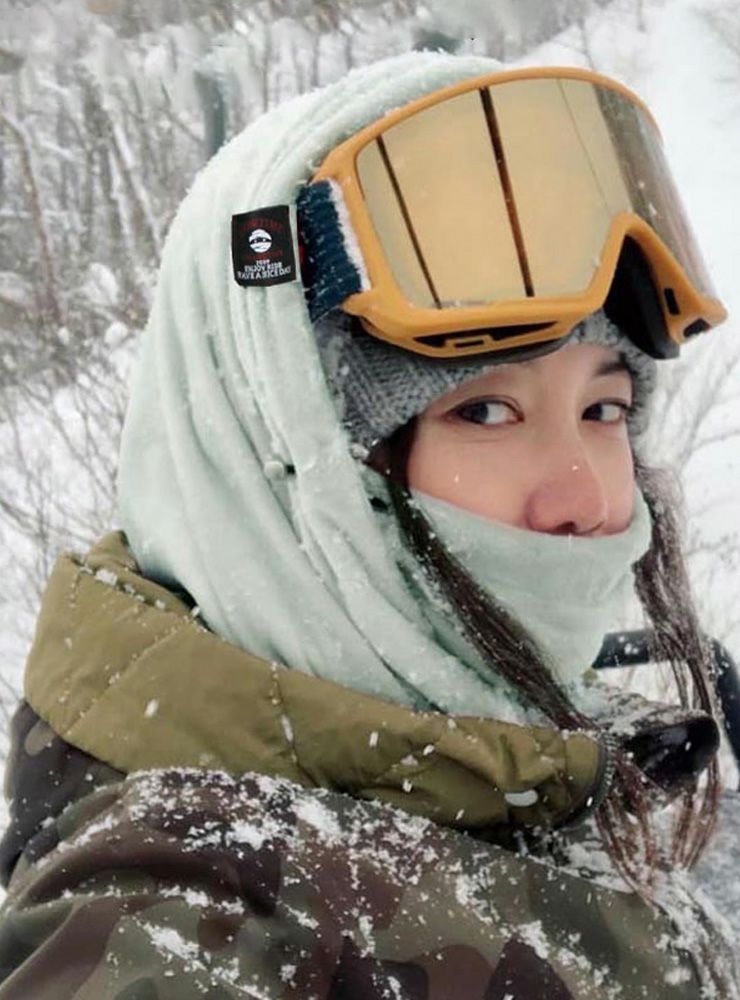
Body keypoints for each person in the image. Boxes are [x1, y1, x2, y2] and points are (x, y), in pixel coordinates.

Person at [0, 53, 736, 999]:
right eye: (485, 411)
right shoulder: (187, 914)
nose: (587, 498)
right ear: (289, 467)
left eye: (605, 410)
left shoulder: (518, 745)